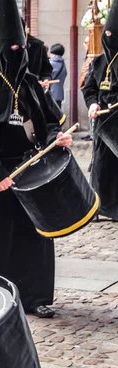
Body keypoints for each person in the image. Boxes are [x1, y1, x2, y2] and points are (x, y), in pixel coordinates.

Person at [0, 0, 72, 319]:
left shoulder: (30, 84)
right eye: (11, 48)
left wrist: (57, 139)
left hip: (29, 174)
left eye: (21, 48)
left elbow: (50, 121)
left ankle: (34, 295)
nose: (17, 53)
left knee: (32, 238)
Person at [83, 1, 118, 221]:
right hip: (102, 121)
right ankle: (98, 206)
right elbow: (89, 87)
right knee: (100, 165)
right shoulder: (99, 61)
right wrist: (93, 103)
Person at [49, 43, 67, 108]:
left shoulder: (50, 63)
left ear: (52, 53)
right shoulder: (63, 64)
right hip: (59, 94)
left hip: (49, 93)